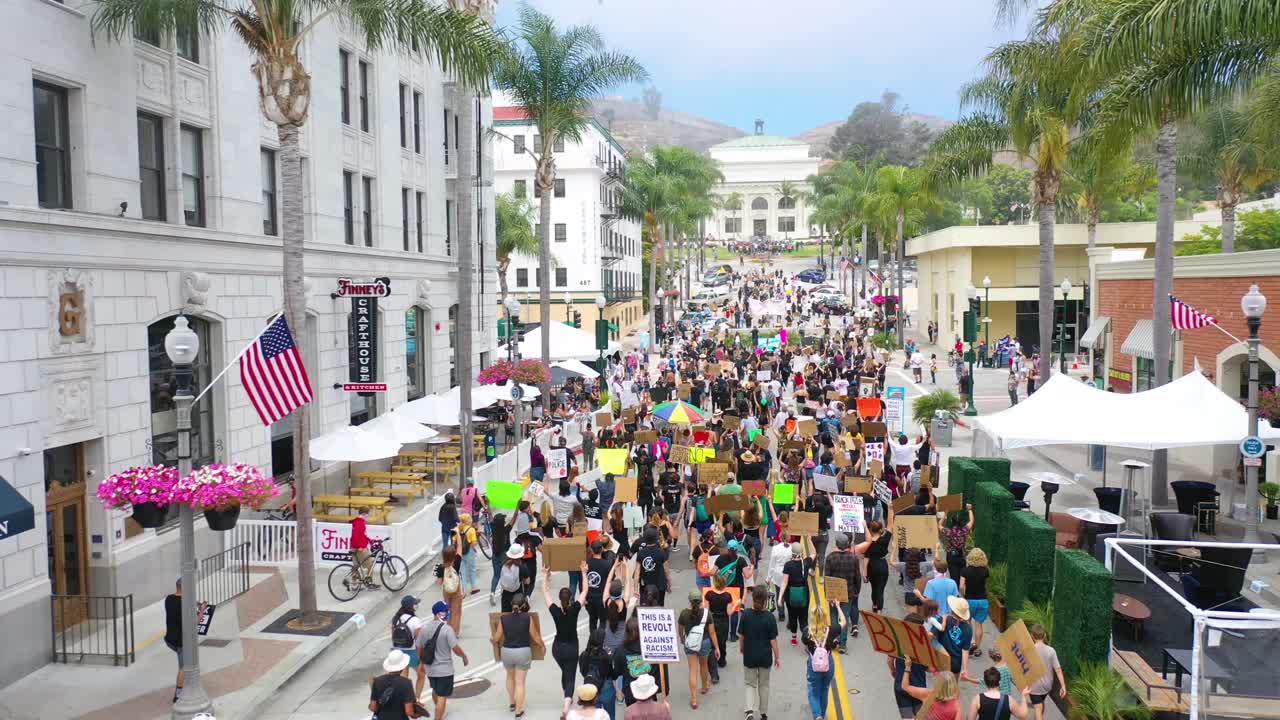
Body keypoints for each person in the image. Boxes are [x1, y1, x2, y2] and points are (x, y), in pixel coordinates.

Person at [543, 564, 588, 718]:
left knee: (565, 672)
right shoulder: (575, 609)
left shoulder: (555, 610)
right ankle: (566, 706)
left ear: (560, 599)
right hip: (571, 648)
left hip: (557, 649)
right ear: (571, 598)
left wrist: (545, 575)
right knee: (570, 677)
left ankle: (566, 696)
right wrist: (583, 572)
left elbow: (545, 592)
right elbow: (585, 591)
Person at [416, 601, 468, 720]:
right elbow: (455, 648)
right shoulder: (447, 630)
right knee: (442, 696)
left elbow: (419, 647)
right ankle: (438, 716)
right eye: (446, 611)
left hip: (431, 669)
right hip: (445, 670)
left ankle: (438, 710)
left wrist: (421, 662)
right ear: (440, 613)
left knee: (435, 690)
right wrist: (464, 656)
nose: (448, 613)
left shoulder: (424, 629)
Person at [163, 577, 208, 703]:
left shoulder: (169, 599)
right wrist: (202, 610)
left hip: (169, 639)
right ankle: (177, 695)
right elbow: (195, 622)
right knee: (183, 668)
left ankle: (185, 684)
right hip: (181, 642)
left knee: (185, 664)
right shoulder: (185, 604)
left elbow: (179, 606)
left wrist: (194, 604)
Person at [739, 585, 780, 720]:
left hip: (749, 655)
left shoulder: (746, 615)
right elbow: (773, 640)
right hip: (765, 657)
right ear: (765, 600)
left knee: (750, 684)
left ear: (753, 598)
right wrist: (777, 657)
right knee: (764, 685)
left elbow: (741, 635)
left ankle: (749, 711)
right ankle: (763, 713)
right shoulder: (769, 617)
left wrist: (742, 648)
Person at [495, 592, 534, 718]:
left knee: (510, 677)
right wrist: (542, 645)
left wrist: (492, 640)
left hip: (506, 651)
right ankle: (518, 710)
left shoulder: (503, 618)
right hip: (522, 651)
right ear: (524, 605)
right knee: (520, 682)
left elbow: (496, 638)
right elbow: (535, 636)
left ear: (511, 605)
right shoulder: (528, 618)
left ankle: (512, 702)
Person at [677, 589, 718, 708]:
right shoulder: (706, 613)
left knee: (692, 670)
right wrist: (716, 647)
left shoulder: (684, 613)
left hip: (690, 644)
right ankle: (705, 687)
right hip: (704, 643)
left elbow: (680, 629)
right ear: (701, 601)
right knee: (704, 666)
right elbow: (712, 632)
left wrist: (682, 638)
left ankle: (694, 699)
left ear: (689, 601)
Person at [891, 595, 930, 718]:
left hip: (901, 685)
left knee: (907, 717)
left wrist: (894, 672)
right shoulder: (924, 646)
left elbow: (889, 661)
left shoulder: (897, 641)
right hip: (918, 687)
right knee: (919, 716)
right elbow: (928, 667)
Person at [803, 603, 843, 720]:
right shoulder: (831, 630)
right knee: (825, 689)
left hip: (814, 665)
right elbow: (843, 622)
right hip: (828, 664)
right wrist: (838, 606)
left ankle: (817, 715)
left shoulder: (807, 632)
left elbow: (805, 645)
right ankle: (822, 713)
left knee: (813, 690)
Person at [823, 533, 861, 650]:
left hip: (833, 592)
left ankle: (834, 639)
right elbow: (857, 576)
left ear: (837, 544)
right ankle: (843, 645)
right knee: (844, 617)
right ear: (847, 544)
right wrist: (856, 591)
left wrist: (827, 593)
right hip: (848, 592)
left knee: (834, 616)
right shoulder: (854, 558)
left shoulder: (830, 557)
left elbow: (827, 577)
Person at [1026, 623, 1066, 720]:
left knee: (1038, 708)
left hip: (1034, 686)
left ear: (1031, 635)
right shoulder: (1051, 651)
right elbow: (1058, 669)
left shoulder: (1029, 650)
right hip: (1047, 686)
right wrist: (1063, 685)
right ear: (1044, 635)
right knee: (1039, 705)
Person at [933, 597, 977, 684]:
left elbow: (932, 636)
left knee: (940, 686)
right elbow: (965, 650)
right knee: (953, 687)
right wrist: (965, 669)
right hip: (956, 662)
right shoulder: (968, 628)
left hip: (941, 658)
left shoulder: (943, 619)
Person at [854, 517, 893, 612]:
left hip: (871, 566)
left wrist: (865, 572)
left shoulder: (868, 543)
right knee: (880, 589)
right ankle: (879, 609)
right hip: (882, 565)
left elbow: (866, 558)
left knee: (874, 587)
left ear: (871, 529)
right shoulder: (885, 539)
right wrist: (890, 509)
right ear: (881, 530)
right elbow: (890, 524)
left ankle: (875, 604)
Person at [579, 630, 617, 720]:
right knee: (610, 714)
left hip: (590, 688)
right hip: (606, 687)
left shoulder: (583, 655)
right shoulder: (605, 656)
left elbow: (583, 671)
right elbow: (612, 674)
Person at [371, 650, 419, 720]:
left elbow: (373, 707)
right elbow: (408, 711)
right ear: (402, 666)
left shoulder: (378, 681)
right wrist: (415, 714)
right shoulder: (406, 683)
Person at [780, 542, 813, 644]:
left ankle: (794, 638)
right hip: (804, 594)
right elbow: (814, 553)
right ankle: (806, 637)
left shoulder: (788, 565)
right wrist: (810, 540)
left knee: (792, 616)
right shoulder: (806, 563)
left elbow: (784, 582)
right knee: (803, 617)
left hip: (790, 594)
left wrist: (780, 597)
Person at [960, 548, 990, 656]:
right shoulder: (985, 571)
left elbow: (961, 586)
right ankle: (977, 648)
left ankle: (968, 645)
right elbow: (986, 585)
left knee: (967, 624)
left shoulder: (965, 570)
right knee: (979, 625)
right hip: (982, 600)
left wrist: (962, 596)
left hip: (969, 600)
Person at [634, 527, 671, 606]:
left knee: (644, 608)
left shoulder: (640, 553)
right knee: (659, 606)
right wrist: (669, 584)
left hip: (645, 586)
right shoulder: (661, 552)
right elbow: (666, 571)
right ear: (656, 539)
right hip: (660, 585)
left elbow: (637, 572)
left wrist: (635, 589)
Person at [391, 595, 423, 677]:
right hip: (411, 652)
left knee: (403, 676)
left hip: (398, 651)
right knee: (421, 675)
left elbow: (393, 637)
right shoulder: (415, 620)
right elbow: (419, 641)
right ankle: (417, 690)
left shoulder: (396, 619)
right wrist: (420, 656)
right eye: (415, 603)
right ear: (411, 606)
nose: (417, 605)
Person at [455, 513, 480, 595]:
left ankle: (463, 591)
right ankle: (474, 587)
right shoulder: (471, 529)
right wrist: (474, 549)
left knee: (462, 571)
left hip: (460, 552)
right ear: (468, 520)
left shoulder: (458, 530)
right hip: (469, 552)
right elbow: (474, 543)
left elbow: (454, 541)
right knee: (472, 569)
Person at [350, 507, 374, 587]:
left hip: (354, 546)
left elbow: (362, 535)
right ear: (364, 514)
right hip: (360, 548)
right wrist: (359, 547)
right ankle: (369, 583)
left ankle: (354, 585)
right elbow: (356, 536)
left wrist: (370, 540)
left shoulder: (357, 522)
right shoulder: (360, 523)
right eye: (368, 515)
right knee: (370, 564)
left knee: (356, 566)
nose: (368, 517)